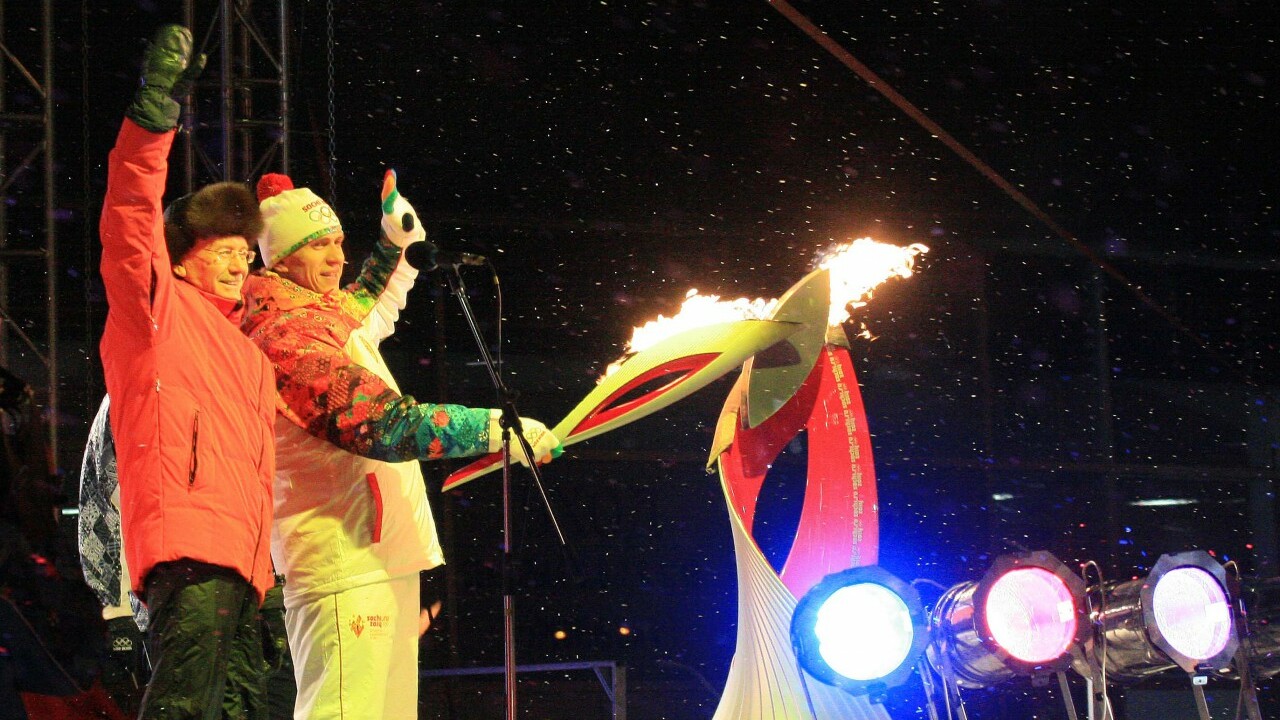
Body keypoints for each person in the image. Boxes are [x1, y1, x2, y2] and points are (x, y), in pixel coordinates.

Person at [241, 170, 562, 719]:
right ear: (281, 257)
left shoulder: (320, 315)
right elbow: (383, 425)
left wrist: (397, 241)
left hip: (379, 552)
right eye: (318, 246)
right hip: (338, 560)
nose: (337, 257)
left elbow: (369, 300)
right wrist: (496, 429)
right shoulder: (285, 336)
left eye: (338, 241)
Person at [99, 25, 276, 718]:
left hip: (244, 567)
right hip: (190, 551)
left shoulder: (249, 354)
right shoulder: (155, 311)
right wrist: (153, 120)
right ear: (179, 257)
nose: (240, 264)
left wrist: (269, 575)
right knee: (183, 706)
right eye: (223, 249)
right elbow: (129, 215)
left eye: (246, 252)